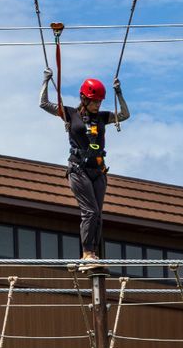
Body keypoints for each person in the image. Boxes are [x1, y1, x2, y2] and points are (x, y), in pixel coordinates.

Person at [40, 73, 130, 267]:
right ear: (84, 99)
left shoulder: (102, 118)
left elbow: (124, 115)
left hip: (98, 170)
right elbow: (44, 104)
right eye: (94, 101)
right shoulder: (71, 114)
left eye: (99, 101)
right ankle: (87, 253)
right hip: (78, 170)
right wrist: (46, 81)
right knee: (89, 211)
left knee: (97, 213)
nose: (97, 105)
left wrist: (119, 93)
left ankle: (94, 254)